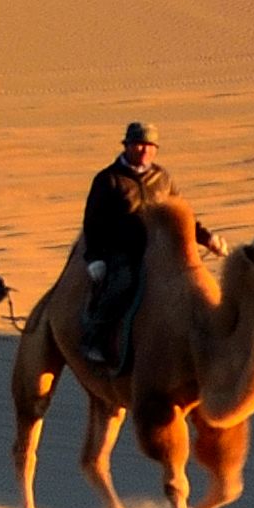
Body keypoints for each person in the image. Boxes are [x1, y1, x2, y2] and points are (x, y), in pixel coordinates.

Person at [74, 120, 169, 379]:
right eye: (139, 144)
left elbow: (178, 213)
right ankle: (94, 339)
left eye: (150, 146)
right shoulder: (108, 179)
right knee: (121, 285)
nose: (144, 151)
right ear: (127, 146)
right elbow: (92, 223)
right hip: (119, 252)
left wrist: (207, 239)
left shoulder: (162, 178)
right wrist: (94, 258)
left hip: (157, 251)